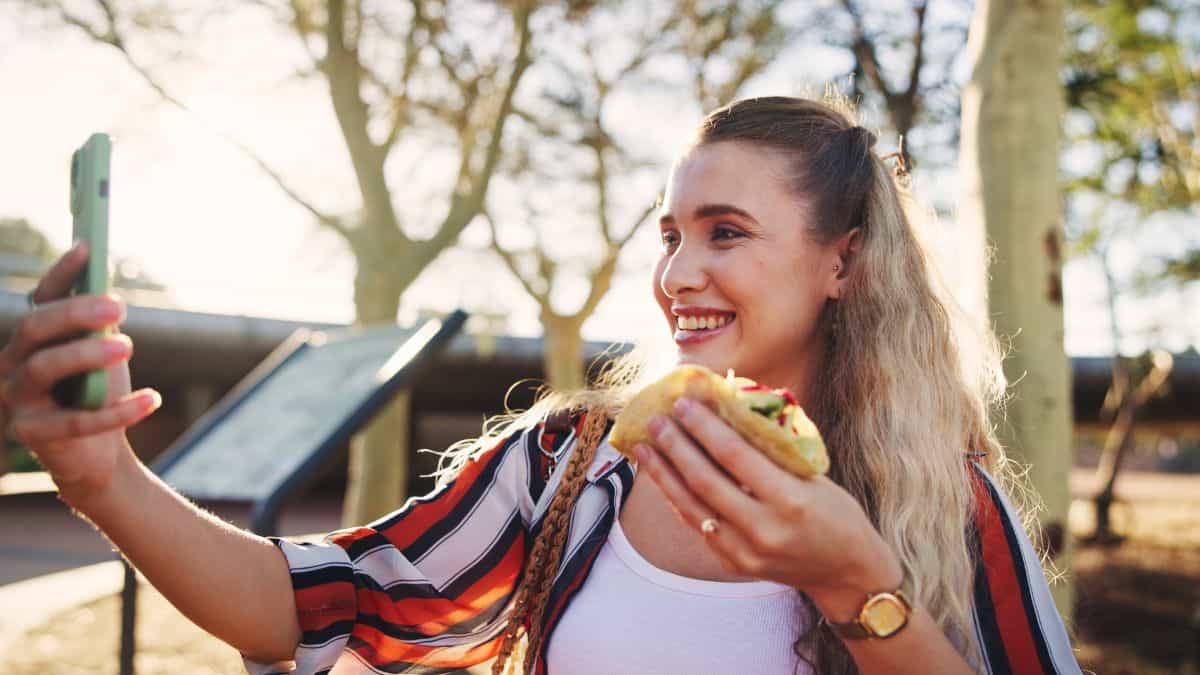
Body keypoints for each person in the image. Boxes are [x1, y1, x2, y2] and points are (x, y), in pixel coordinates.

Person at [0, 96, 1082, 675]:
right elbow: (313, 603)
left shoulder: (948, 506)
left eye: (727, 233)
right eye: (669, 236)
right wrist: (101, 477)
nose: (676, 274)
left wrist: (859, 588)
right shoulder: (568, 465)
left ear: (842, 263)